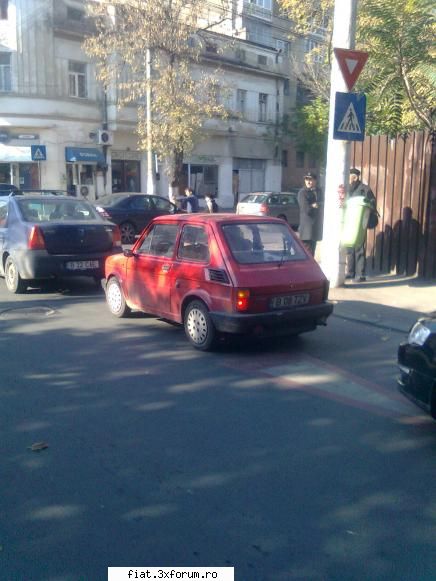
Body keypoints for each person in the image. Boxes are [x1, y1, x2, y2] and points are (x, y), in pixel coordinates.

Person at [346, 167, 376, 282]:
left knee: (359, 247)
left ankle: (361, 275)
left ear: (357, 177)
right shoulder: (347, 188)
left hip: (359, 223)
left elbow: (372, 202)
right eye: (350, 177)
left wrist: (366, 205)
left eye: (353, 176)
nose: (351, 179)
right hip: (348, 221)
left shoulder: (364, 189)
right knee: (349, 247)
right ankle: (350, 272)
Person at [297, 172, 324, 256]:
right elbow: (306, 209)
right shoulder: (303, 192)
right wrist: (313, 206)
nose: (308, 182)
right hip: (306, 230)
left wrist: (317, 205)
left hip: (315, 228)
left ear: (315, 181)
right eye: (306, 179)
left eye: (310, 179)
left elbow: (323, 204)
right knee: (307, 254)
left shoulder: (319, 191)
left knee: (312, 253)